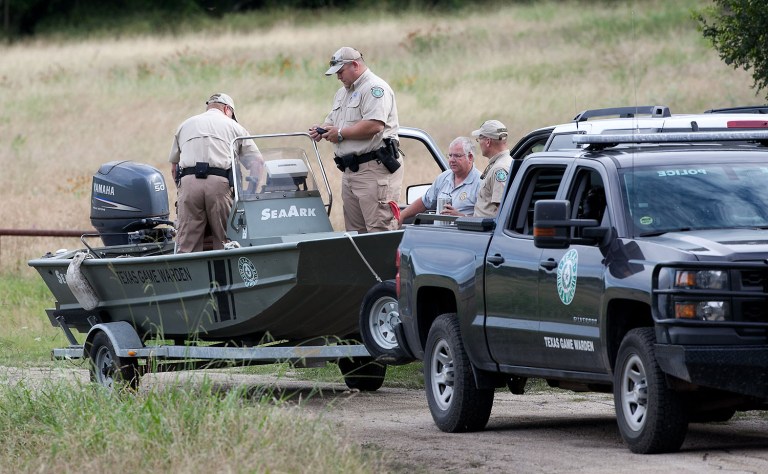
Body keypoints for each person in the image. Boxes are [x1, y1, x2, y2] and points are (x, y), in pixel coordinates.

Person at [309, 46, 403, 233]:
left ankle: (382, 264)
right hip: (350, 171)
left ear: (355, 65)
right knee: (355, 233)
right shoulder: (342, 93)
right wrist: (321, 130)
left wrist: (341, 133)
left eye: (341, 71)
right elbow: (333, 122)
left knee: (379, 230)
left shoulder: (375, 88)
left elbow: (375, 125)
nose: (338, 77)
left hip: (374, 170)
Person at [168, 93, 263, 253]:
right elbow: (257, 162)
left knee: (186, 245)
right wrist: (249, 193)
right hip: (219, 185)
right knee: (227, 241)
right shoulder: (235, 127)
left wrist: (183, 189)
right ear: (227, 109)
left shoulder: (185, 125)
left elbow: (174, 167)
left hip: (188, 183)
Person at [397, 136, 481, 226]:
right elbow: (425, 202)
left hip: (462, 237)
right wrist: (401, 216)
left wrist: (460, 217)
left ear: (470, 157)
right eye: (450, 155)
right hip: (437, 236)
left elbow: (486, 220)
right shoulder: (443, 177)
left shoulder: (481, 183)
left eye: (457, 156)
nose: (452, 160)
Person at [472, 119, 513, 218]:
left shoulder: (499, 169)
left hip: (487, 231)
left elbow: (502, 209)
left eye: (479, 139)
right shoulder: (504, 162)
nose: (479, 143)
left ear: (488, 142)